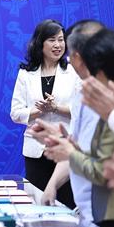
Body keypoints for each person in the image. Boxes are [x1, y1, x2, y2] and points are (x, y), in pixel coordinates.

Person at [30, 20, 104, 227]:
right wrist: (52, 186)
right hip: (87, 213)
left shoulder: (108, 96)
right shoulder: (82, 95)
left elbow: (105, 165)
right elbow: (77, 148)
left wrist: (69, 149)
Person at [44, 28, 114, 227]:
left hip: (105, 220)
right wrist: (63, 143)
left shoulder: (107, 106)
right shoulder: (84, 97)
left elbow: (102, 171)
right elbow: (83, 150)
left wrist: (70, 152)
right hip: (91, 215)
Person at [10, 19, 78, 208]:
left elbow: (82, 110)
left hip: (65, 148)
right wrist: (38, 110)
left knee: (67, 204)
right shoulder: (26, 74)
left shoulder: (73, 71)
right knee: (38, 205)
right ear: (40, 43)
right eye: (52, 40)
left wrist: (56, 108)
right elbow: (15, 113)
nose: (58, 45)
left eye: (61, 40)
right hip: (36, 151)